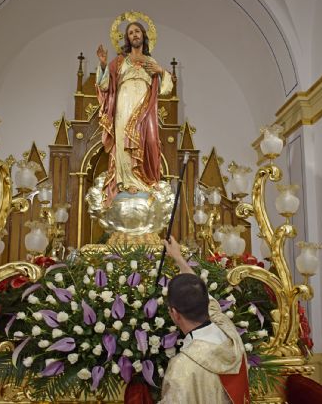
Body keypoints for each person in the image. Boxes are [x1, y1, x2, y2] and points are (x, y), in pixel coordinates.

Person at [159, 236, 250, 404]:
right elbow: (205, 297)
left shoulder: (182, 367)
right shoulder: (228, 331)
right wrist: (178, 258)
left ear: (174, 314)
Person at [96, 21, 173, 205]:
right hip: (124, 105)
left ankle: (144, 182)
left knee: (150, 141)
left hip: (145, 107)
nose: (134, 35)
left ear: (143, 35)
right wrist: (104, 64)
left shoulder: (151, 62)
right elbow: (105, 85)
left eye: (137, 31)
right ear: (127, 38)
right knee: (124, 142)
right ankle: (127, 182)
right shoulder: (120, 61)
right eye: (130, 32)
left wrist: (160, 71)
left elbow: (166, 89)